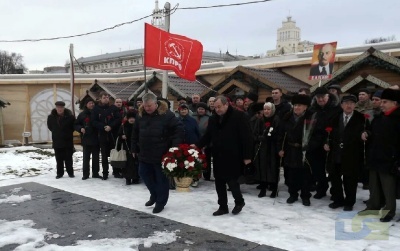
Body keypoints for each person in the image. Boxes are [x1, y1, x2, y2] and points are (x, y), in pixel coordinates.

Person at [196, 95, 253, 216]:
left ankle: (239, 201)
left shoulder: (239, 116)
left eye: (219, 107)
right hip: (218, 155)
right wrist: (197, 146)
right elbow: (208, 136)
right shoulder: (213, 119)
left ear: (226, 104)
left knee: (232, 181)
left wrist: (247, 157)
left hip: (234, 155)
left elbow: (247, 137)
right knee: (219, 182)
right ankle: (223, 206)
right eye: (215, 107)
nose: (217, 109)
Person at [131, 93, 184, 214]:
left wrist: (174, 147)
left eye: (149, 106)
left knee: (161, 179)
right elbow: (135, 132)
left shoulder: (167, 115)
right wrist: (133, 148)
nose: (147, 108)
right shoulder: (140, 115)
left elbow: (178, 130)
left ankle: (161, 202)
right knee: (143, 174)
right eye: (145, 106)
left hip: (161, 153)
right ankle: (154, 195)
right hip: (144, 152)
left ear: (156, 103)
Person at [359, 88, 400, 222]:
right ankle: (373, 205)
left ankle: (389, 211)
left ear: (395, 102)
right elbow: (372, 131)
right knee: (374, 185)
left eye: (385, 102)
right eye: (381, 101)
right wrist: (367, 133)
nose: (381, 104)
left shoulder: (397, 118)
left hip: (389, 160)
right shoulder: (380, 117)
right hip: (374, 157)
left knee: (388, 188)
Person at [324, 95, 365, 211]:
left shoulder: (361, 118)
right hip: (335, 153)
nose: (349, 105)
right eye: (346, 103)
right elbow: (327, 133)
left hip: (352, 154)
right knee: (335, 179)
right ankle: (338, 200)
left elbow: (367, 131)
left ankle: (349, 202)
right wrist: (326, 143)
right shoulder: (335, 117)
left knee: (350, 180)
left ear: (355, 105)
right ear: (341, 105)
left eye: (352, 103)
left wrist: (365, 134)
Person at [278, 94, 314, 206]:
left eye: (300, 105)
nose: (297, 107)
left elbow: (317, 135)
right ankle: (292, 194)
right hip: (290, 150)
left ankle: (305, 196)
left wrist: (310, 146)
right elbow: (280, 134)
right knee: (291, 175)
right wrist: (280, 148)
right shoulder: (287, 117)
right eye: (295, 105)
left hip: (304, 151)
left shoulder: (311, 118)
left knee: (305, 175)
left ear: (305, 107)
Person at [308, 87, 341, 199]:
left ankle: (335, 191)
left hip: (331, 143)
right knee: (318, 169)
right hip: (315, 143)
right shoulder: (312, 110)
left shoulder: (336, 109)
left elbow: (338, 126)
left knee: (332, 170)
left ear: (328, 96)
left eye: (323, 97)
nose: (321, 99)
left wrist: (330, 141)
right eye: (318, 97)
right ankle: (321, 188)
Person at [91, 91, 122, 180]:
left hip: (112, 134)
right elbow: (94, 121)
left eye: (107, 97)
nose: (106, 99)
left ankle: (116, 171)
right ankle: (105, 173)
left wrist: (111, 126)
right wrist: (103, 126)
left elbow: (118, 119)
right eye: (104, 97)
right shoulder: (96, 109)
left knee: (114, 153)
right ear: (100, 98)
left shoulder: (113, 108)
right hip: (102, 134)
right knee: (104, 155)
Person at [253, 102, 280, 198]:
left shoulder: (276, 119)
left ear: (272, 110)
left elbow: (279, 134)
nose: (266, 111)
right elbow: (254, 133)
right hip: (262, 148)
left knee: (273, 167)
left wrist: (271, 137)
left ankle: (274, 188)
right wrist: (261, 138)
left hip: (272, 148)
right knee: (262, 167)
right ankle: (263, 188)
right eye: (265, 109)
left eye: (268, 109)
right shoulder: (260, 120)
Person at [74, 98, 102, 180]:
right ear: (86, 105)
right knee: (86, 158)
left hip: (96, 138)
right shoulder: (82, 114)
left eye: (93, 103)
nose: (92, 104)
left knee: (96, 158)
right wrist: (80, 128)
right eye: (90, 103)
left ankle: (95, 173)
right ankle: (85, 174)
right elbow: (76, 124)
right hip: (86, 139)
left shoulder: (98, 113)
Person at [47, 101, 76, 179]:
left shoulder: (70, 117)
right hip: (57, 141)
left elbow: (73, 127)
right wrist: (57, 132)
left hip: (67, 140)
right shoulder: (51, 117)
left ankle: (70, 172)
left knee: (68, 158)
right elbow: (50, 127)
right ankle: (59, 173)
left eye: (61, 107)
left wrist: (66, 133)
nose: (60, 109)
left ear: (64, 108)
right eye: (58, 107)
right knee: (59, 158)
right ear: (56, 108)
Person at [118, 111, 139, 185]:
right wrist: (122, 137)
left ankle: (135, 178)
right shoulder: (124, 126)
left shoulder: (138, 126)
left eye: (133, 118)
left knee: (136, 163)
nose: (131, 120)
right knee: (128, 164)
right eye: (130, 118)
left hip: (137, 147)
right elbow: (119, 135)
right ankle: (128, 178)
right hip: (127, 147)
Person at [192, 102, 211, 181]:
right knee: (195, 159)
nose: (201, 110)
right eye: (199, 109)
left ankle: (207, 175)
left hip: (206, 141)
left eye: (202, 109)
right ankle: (195, 175)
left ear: (205, 110)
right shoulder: (192, 117)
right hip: (195, 141)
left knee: (206, 159)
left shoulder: (209, 118)